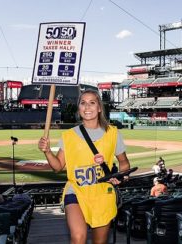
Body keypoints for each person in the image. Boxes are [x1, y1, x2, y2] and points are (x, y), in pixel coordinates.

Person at [38, 89, 130, 244]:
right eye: (83, 103)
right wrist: (47, 152)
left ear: (99, 107)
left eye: (92, 103)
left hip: (102, 193)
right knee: (78, 237)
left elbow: (124, 162)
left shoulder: (113, 133)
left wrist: (122, 175)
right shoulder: (69, 136)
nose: (87, 107)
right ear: (79, 108)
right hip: (76, 191)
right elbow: (58, 166)